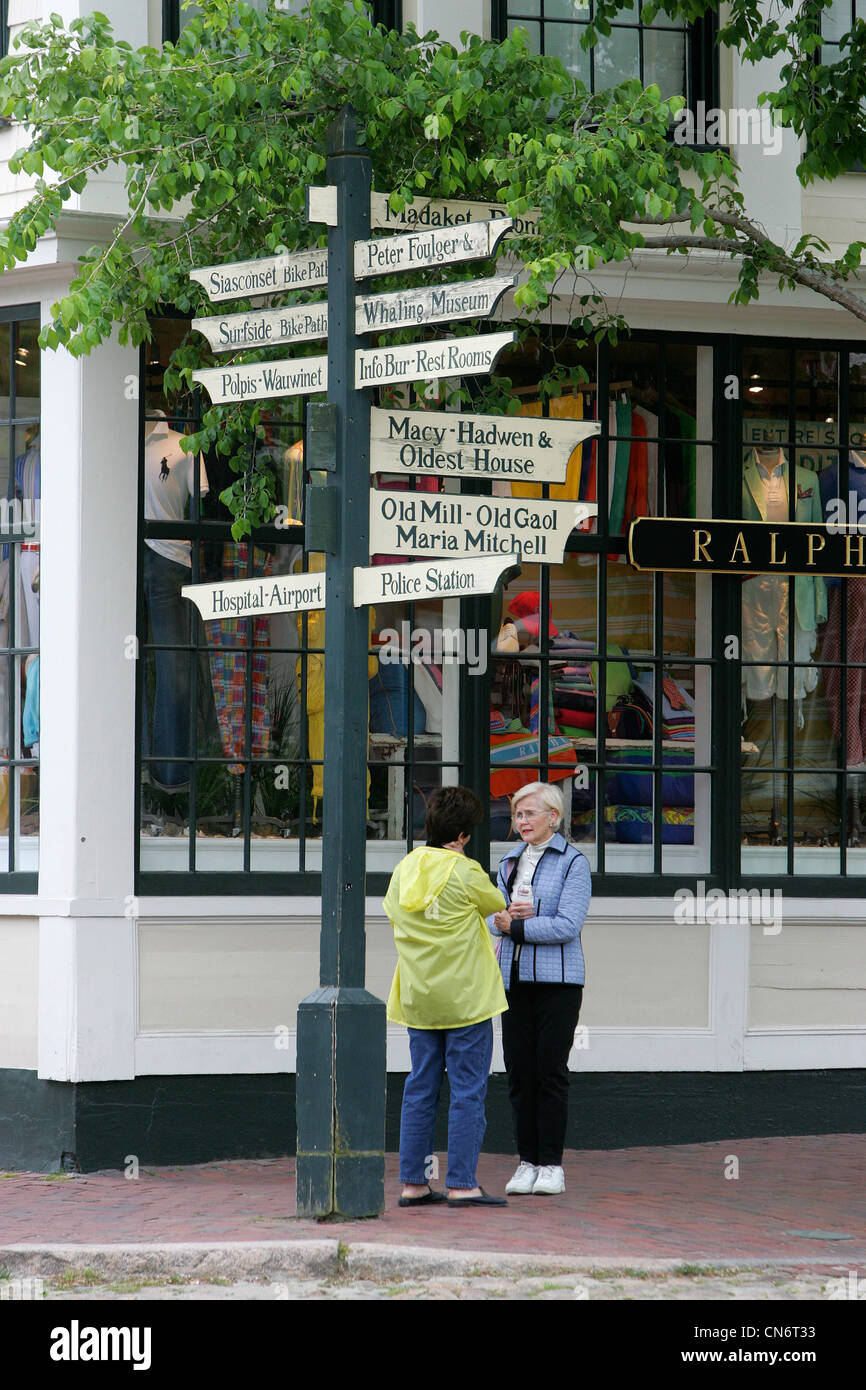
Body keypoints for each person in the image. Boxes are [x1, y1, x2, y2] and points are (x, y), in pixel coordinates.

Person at [384, 785, 509, 1208]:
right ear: (462, 836)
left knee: (420, 1087)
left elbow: (391, 912)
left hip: (419, 997)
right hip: (466, 998)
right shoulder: (465, 870)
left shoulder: (404, 868)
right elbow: (497, 906)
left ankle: (413, 1183)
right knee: (468, 1090)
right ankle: (461, 1184)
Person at [489, 781, 591, 1196]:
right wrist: (505, 920)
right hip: (513, 981)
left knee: (550, 1074)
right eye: (517, 814)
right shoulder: (509, 861)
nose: (522, 821)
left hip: (558, 983)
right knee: (519, 1074)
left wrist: (519, 927)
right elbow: (493, 915)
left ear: (554, 816)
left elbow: (569, 925)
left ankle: (551, 1164)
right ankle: (526, 1162)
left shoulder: (573, 863)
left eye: (530, 813)